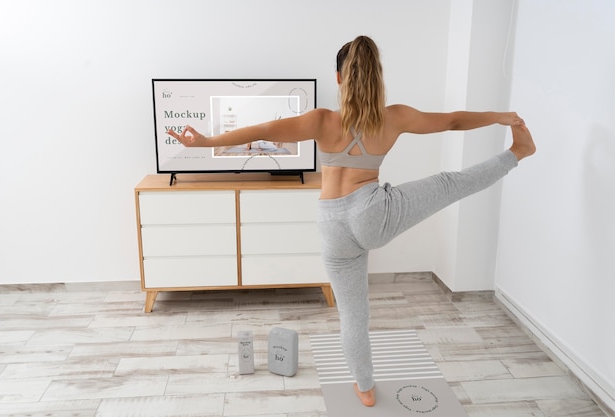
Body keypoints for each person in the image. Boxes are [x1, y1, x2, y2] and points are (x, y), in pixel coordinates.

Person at [167, 35, 536, 408]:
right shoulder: (394, 117)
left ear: (339, 78)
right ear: (377, 77)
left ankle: (365, 388)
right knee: (448, 184)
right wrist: (502, 117)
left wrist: (206, 141)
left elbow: (262, 131)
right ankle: (518, 153)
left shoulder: (320, 120)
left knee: (354, 316)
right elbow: (453, 121)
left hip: (332, 226)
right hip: (373, 213)